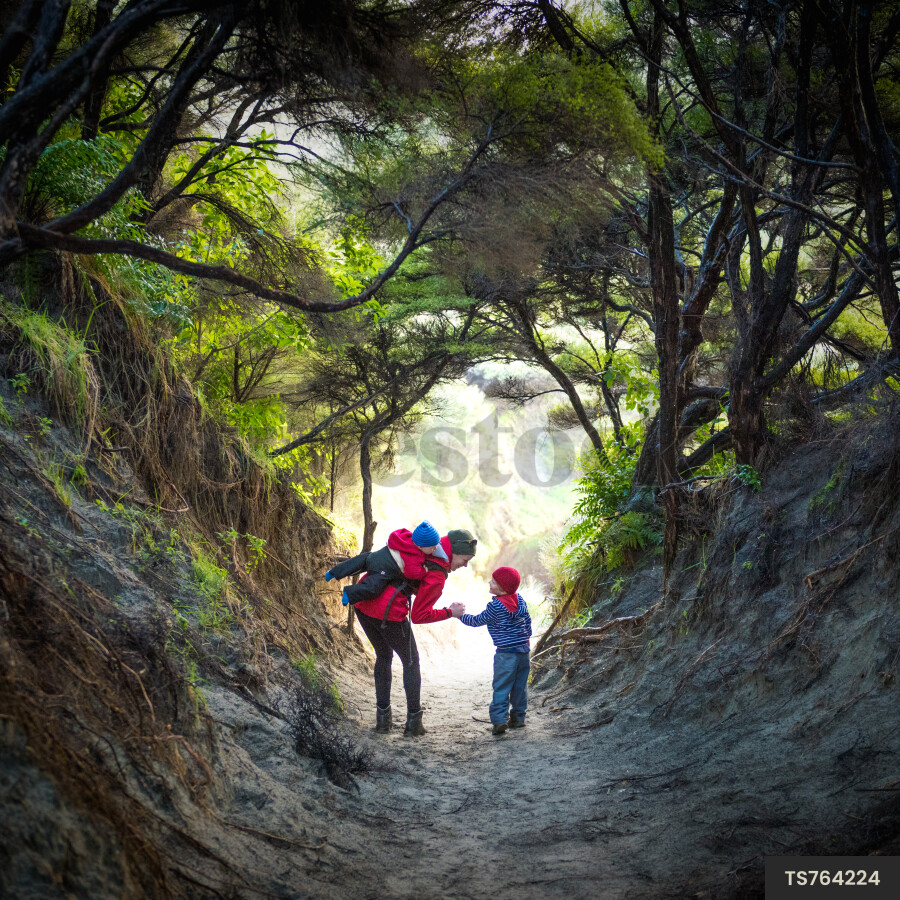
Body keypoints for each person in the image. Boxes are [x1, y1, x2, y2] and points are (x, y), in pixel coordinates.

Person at [352, 528, 477, 737]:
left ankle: (383, 721)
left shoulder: (421, 547)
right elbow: (420, 616)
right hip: (389, 613)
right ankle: (413, 723)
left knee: (383, 655)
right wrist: (450, 612)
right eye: (465, 559)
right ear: (454, 551)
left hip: (362, 601)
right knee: (411, 662)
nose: (465, 565)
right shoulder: (437, 574)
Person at [453, 566, 531, 736]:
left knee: (502, 686)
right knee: (519, 687)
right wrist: (527, 637)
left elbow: (477, 621)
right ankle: (518, 718)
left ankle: (499, 721)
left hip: (506, 654)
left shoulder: (496, 606)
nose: (490, 582)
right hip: (524, 652)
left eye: (494, 581)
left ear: (502, 588)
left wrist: (459, 615)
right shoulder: (520, 600)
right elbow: (528, 620)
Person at [324, 521, 447, 607]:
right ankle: (350, 593)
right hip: (384, 569)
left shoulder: (406, 538)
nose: (435, 549)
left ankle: (333, 572)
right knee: (374, 588)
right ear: (420, 546)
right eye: (433, 547)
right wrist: (423, 571)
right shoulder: (414, 555)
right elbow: (412, 573)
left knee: (356, 563)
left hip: (376, 555)